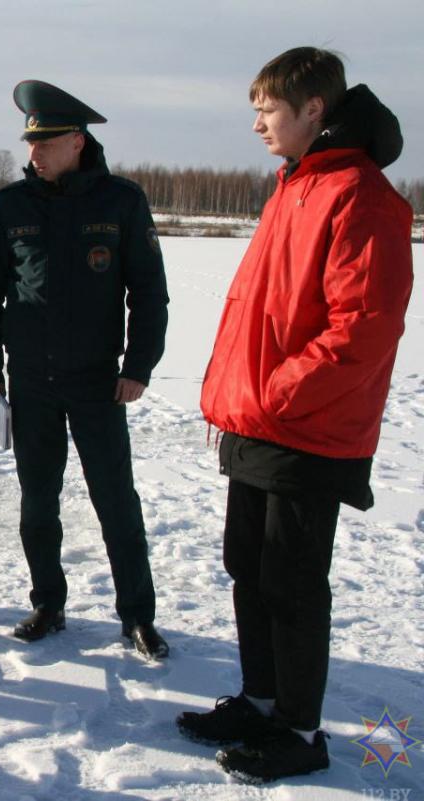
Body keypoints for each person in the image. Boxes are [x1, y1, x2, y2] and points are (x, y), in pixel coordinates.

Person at [178, 48, 413, 783]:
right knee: (248, 566)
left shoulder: (361, 195)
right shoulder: (295, 185)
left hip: (306, 426)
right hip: (259, 419)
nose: (257, 126)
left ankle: (302, 731)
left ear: (315, 108)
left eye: (268, 111)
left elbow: (362, 326)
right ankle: (262, 696)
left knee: (292, 578)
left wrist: (275, 391)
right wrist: (240, 393)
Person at [0, 81, 170, 658]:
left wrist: (140, 365)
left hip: (98, 383)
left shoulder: (121, 201)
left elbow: (148, 291)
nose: (32, 152)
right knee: (39, 501)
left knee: (116, 501)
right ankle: (47, 603)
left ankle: (137, 615)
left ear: (77, 142)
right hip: (30, 380)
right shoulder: (11, 205)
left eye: (45, 142)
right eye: (29, 142)